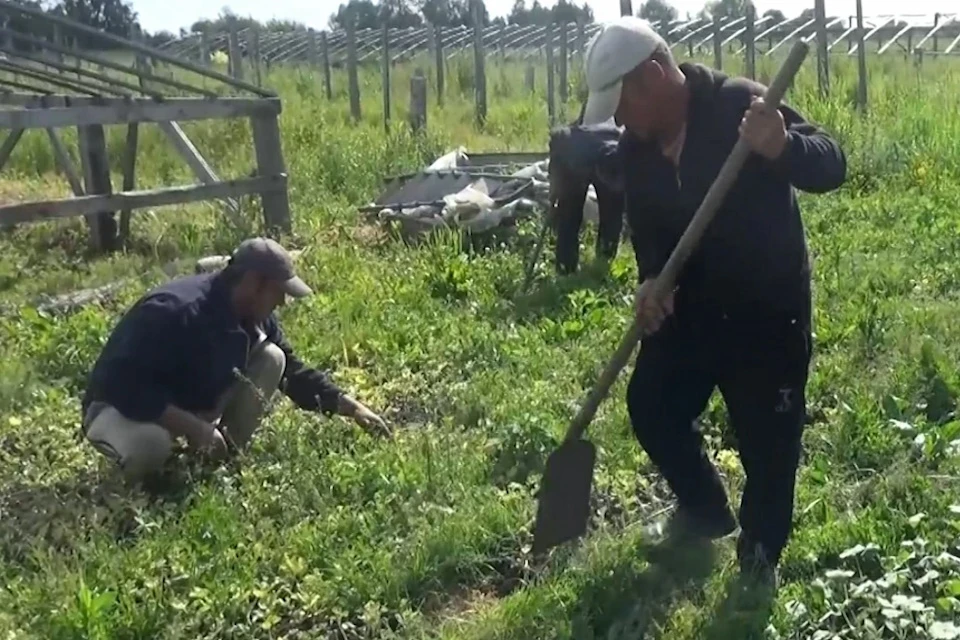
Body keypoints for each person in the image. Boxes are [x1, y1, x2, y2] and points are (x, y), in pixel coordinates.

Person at [580, 17, 846, 589]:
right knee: (652, 404)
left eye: (621, 103)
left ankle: (759, 554)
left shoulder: (741, 106)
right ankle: (704, 509)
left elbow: (830, 162)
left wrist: (782, 145)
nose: (619, 119)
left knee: (769, 447)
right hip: (695, 313)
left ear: (653, 75)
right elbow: (649, 232)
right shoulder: (637, 149)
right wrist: (652, 282)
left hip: (765, 315)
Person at [81, 237, 389, 483]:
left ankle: (219, 460)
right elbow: (119, 384)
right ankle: (136, 494)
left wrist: (352, 408)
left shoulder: (252, 316)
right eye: (278, 292)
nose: (282, 301)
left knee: (273, 357)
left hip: (182, 410)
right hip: (117, 410)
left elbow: (293, 374)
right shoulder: (174, 311)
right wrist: (194, 427)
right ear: (254, 283)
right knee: (150, 445)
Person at [547, 109, 626, 275]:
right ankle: (568, 268)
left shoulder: (617, 152)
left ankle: (602, 263)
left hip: (604, 155)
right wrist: (555, 192)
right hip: (577, 157)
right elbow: (556, 175)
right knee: (569, 216)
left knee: (611, 215)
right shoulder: (566, 147)